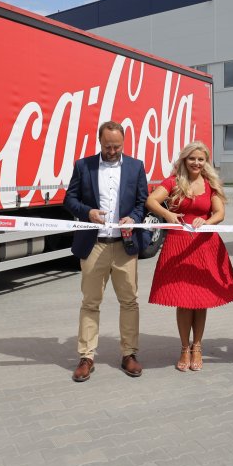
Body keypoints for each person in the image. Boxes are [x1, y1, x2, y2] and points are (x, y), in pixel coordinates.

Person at [64, 120, 149, 382]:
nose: (112, 151)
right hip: (94, 245)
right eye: (107, 146)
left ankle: (129, 354)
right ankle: (86, 356)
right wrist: (86, 212)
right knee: (90, 302)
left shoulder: (135, 167)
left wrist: (133, 218)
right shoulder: (84, 165)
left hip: (124, 246)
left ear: (124, 143)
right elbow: (70, 199)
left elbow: (142, 202)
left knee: (129, 301)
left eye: (117, 146)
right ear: (99, 142)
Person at [146, 141, 233, 372]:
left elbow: (219, 213)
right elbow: (151, 201)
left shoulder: (210, 184)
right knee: (183, 299)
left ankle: (197, 346)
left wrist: (205, 221)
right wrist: (168, 214)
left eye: (201, 159)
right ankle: (183, 348)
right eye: (192, 158)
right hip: (178, 244)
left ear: (205, 161)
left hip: (204, 244)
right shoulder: (173, 181)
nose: (196, 163)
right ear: (184, 160)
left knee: (200, 300)